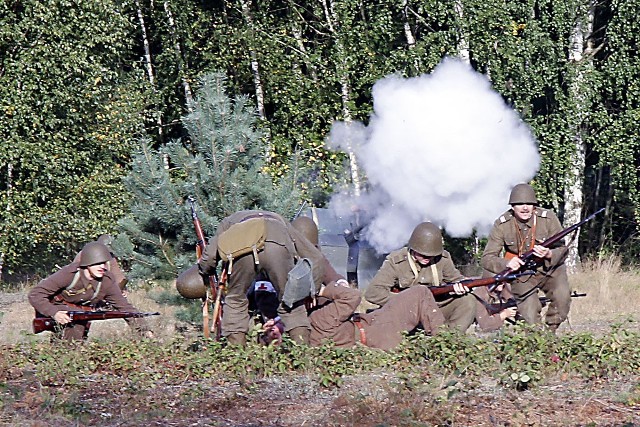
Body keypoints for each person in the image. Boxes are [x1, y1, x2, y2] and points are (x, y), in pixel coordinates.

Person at [199, 210, 326, 345]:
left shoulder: (229, 222)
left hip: (244, 250)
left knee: (236, 301)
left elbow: (209, 257)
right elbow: (316, 258)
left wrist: (205, 271)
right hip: (278, 248)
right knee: (292, 304)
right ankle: (302, 355)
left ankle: (236, 356)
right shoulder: (281, 221)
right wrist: (310, 292)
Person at [480, 183, 571, 331]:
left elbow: (562, 249)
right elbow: (487, 258)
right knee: (529, 312)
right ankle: (536, 339)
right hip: (522, 273)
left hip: (550, 269)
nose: (525, 208)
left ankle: (550, 334)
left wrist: (549, 253)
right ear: (512, 207)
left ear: (534, 206)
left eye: (529, 204)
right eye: (519, 204)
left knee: (562, 298)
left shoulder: (548, 218)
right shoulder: (502, 224)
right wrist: (507, 263)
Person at [28, 242, 152, 341]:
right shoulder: (69, 274)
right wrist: (54, 313)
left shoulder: (106, 280)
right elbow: (35, 294)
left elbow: (124, 307)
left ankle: (68, 360)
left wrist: (144, 329)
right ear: (87, 263)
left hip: (80, 314)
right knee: (75, 326)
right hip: (56, 310)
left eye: (104, 263)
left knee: (78, 327)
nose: (102, 267)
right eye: (97, 263)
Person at [364, 222, 477, 331]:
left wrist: (459, 287)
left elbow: (457, 279)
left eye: (432, 254)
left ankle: (448, 340)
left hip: (434, 309)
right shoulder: (396, 261)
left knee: (467, 301)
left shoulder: (442, 258)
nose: (427, 257)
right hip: (405, 312)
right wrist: (406, 301)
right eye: (423, 254)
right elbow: (373, 293)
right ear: (413, 248)